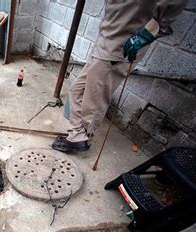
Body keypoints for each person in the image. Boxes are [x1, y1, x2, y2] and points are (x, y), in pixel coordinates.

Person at [52, 0, 188, 153]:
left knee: (94, 102)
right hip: (105, 43)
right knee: (77, 90)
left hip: (119, 48)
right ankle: (77, 134)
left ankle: (84, 138)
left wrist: (150, 31)